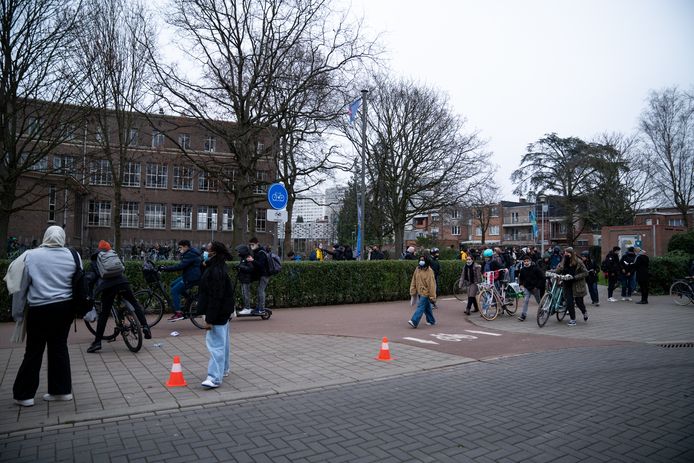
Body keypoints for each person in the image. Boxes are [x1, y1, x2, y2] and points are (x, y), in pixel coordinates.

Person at [11, 225, 76, 407]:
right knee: (60, 348)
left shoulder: (30, 256)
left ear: (45, 237)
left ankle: (25, 395)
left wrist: (17, 314)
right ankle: (61, 391)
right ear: (63, 238)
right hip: (64, 309)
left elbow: (20, 288)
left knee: (34, 351)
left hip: (39, 309)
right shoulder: (73, 255)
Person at [87, 241, 151, 353]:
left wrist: (91, 294)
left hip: (108, 286)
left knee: (104, 314)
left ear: (99, 249)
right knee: (134, 304)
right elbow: (122, 267)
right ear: (109, 248)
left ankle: (97, 342)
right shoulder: (113, 254)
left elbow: (93, 277)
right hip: (123, 282)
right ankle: (146, 327)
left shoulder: (95, 258)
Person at [198, 241, 234, 388]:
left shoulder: (215, 271)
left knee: (215, 345)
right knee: (222, 342)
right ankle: (224, 369)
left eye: (208, 249)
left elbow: (215, 296)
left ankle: (214, 378)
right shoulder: (218, 266)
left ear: (214, 253)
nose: (205, 251)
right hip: (223, 311)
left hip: (217, 313)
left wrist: (209, 319)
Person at [160, 240, 202, 321]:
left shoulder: (190, 254)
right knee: (173, 284)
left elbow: (180, 266)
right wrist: (165, 268)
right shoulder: (189, 253)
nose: (179, 249)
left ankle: (178, 313)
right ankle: (189, 298)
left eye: (180, 247)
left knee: (174, 290)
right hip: (189, 275)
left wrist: (165, 269)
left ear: (186, 246)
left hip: (192, 277)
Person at [555, 247, 589, 326]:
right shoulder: (563, 261)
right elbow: (559, 269)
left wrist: (575, 277)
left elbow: (586, 273)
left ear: (572, 254)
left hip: (577, 285)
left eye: (567, 253)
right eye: (565, 253)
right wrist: (553, 272)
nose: (565, 255)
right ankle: (573, 319)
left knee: (579, 302)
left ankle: (584, 312)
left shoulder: (578, 262)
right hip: (567, 284)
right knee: (569, 302)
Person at [407, 255, 437, 328]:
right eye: (420, 260)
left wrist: (432, 296)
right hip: (419, 291)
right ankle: (431, 320)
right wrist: (413, 289)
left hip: (425, 292)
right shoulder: (418, 269)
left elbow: (432, 285)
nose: (421, 261)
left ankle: (414, 321)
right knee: (427, 308)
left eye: (423, 260)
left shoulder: (429, 271)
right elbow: (414, 279)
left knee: (420, 307)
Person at [245, 237, 270, 315]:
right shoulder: (257, 252)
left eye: (252, 245)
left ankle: (261, 309)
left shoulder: (261, 252)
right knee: (259, 291)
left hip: (264, 275)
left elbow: (261, 265)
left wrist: (252, 260)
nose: (251, 246)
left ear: (257, 244)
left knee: (261, 291)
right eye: (250, 245)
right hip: (262, 275)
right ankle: (259, 307)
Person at [517, 255, 545, 322]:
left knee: (539, 301)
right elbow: (521, 279)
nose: (526, 263)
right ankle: (523, 315)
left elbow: (542, 278)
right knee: (525, 300)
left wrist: (537, 287)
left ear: (530, 261)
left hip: (535, 288)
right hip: (527, 287)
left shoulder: (535, 268)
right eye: (525, 261)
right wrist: (521, 285)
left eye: (527, 261)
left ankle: (542, 310)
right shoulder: (522, 269)